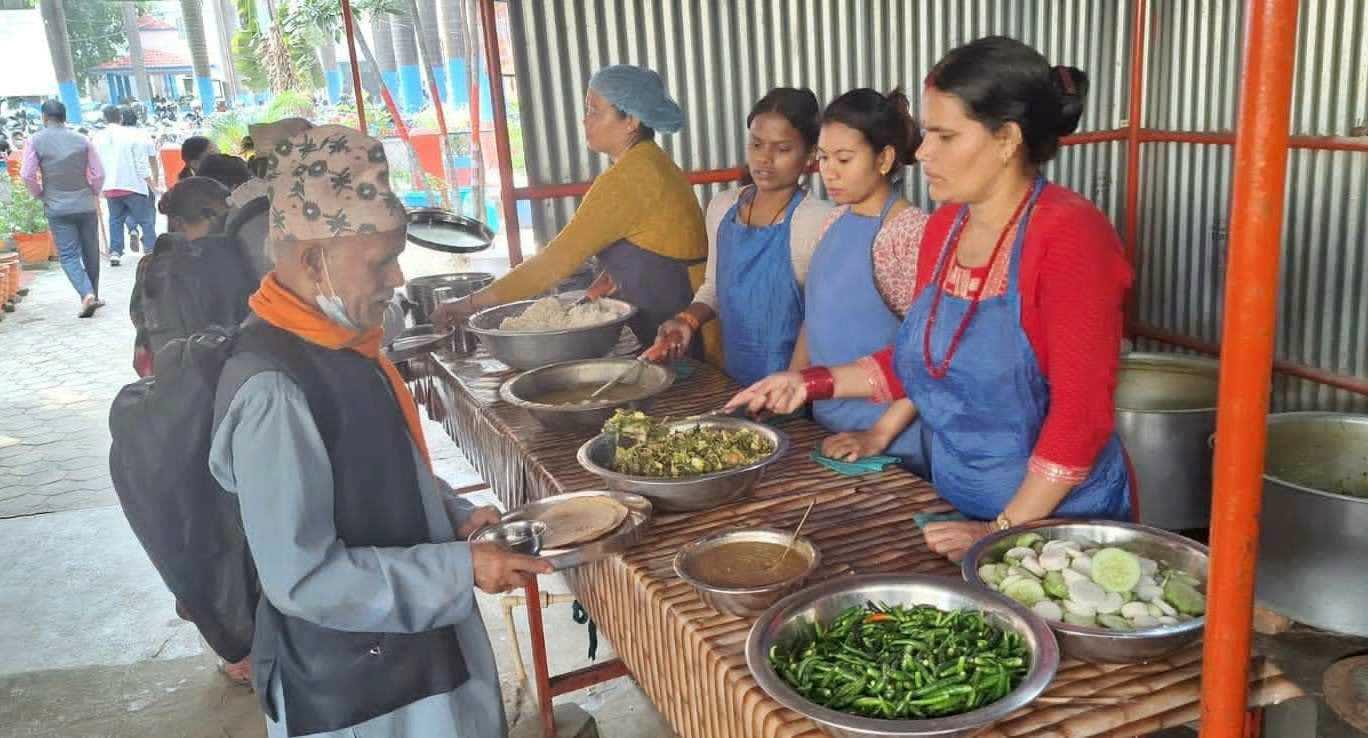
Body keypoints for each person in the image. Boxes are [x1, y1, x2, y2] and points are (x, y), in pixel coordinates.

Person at [727, 36, 1134, 562]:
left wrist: (1002, 529)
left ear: (1007, 138)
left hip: (1059, 531)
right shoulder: (946, 228)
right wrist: (808, 382)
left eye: (943, 135)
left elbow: (1081, 418)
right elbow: (926, 360)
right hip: (959, 508)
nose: (923, 152)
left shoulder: (1071, 236)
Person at [210, 124, 552, 738]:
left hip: (409, 653)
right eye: (382, 261)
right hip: (365, 690)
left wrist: (452, 515)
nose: (397, 279)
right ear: (314, 260)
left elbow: (378, 469)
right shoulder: (275, 392)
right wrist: (459, 569)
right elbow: (304, 577)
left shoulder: (341, 346)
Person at [432, 64, 707, 349]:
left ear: (631, 121)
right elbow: (652, 245)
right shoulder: (650, 162)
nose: (585, 120)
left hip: (679, 328)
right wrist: (601, 285)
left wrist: (467, 304)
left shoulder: (630, 178)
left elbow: (553, 263)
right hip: (673, 314)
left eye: (594, 110)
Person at [651, 88, 833, 383]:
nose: (765, 159)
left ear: (811, 153)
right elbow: (714, 288)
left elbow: (821, 322)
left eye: (782, 149)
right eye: (757, 144)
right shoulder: (722, 208)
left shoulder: (817, 221)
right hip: (735, 380)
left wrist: (788, 390)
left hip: (798, 391)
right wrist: (687, 320)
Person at [795, 88, 930, 476]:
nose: (829, 171)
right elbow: (814, 319)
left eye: (844, 159)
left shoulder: (907, 232)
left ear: (884, 158)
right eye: (822, 157)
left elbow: (929, 355)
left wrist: (879, 434)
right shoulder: (834, 222)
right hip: (828, 430)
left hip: (891, 445)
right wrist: (793, 386)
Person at [129, 177, 257, 373]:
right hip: (233, 373)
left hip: (176, 378)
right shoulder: (234, 253)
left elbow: (142, 328)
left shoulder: (150, 265)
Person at [20, 99, 106, 317]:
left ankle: (86, 294)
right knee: (91, 252)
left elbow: (27, 174)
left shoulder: (35, 141)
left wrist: (40, 193)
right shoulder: (82, 140)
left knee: (68, 255)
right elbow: (99, 174)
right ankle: (92, 294)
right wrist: (93, 191)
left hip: (57, 207)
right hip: (85, 204)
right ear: (65, 117)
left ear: (44, 117)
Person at [92, 105, 158, 267]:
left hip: (110, 187)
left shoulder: (97, 138)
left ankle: (115, 252)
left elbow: (94, 164)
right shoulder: (131, 135)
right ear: (120, 117)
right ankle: (151, 249)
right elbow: (141, 163)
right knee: (146, 219)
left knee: (115, 220)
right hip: (133, 184)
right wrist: (151, 183)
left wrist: (97, 187)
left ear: (105, 118)